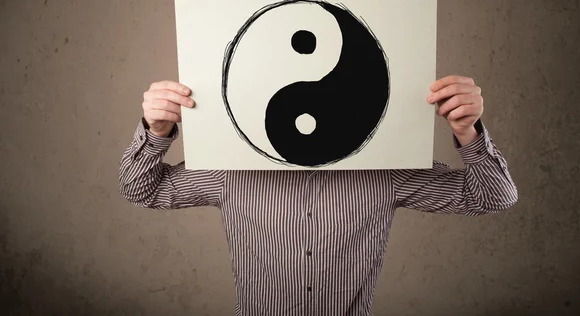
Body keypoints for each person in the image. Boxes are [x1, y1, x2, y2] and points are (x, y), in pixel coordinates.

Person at [119, 75, 517, 316]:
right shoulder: (230, 169)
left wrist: (468, 131)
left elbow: (491, 197)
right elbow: (141, 188)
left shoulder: (386, 169)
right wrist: (156, 130)